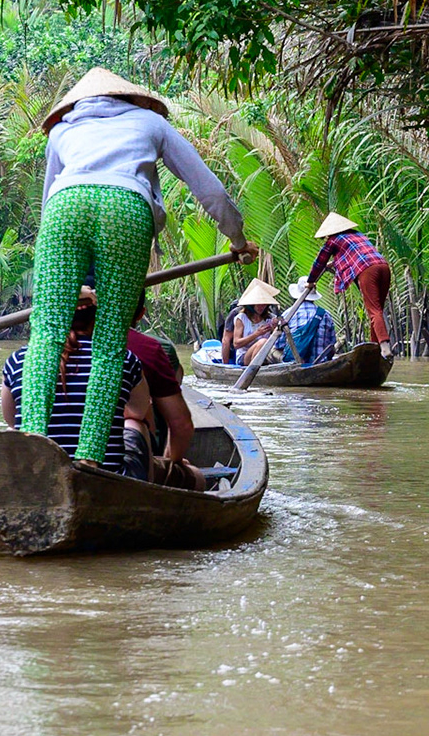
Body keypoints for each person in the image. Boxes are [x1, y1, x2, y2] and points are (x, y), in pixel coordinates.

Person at [23, 67, 255, 464]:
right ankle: (90, 458)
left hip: (63, 211)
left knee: (45, 335)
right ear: (132, 99)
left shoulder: (61, 131)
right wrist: (237, 240)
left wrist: (64, 277)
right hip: (125, 210)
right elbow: (209, 190)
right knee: (110, 343)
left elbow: (49, 205)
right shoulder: (151, 122)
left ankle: (28, 447)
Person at [0, 288, 148, 471]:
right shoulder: (121, 358)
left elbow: (11, 420)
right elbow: (139, 412)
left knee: (11, 432)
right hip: (107, 481)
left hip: (40, 479)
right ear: (97, 316)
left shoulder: (19, 359)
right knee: (136, 425)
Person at [122, 295, 202, 489]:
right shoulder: (147, 349)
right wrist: (171, 462)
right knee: (198, 478)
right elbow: (180, 425)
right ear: (140, 314)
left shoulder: (48, 348)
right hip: (137, 459)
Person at [304, 212, 392, 356]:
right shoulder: (358, 235)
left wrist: (310, 281)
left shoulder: (333, 240)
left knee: (374, 311)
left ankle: (384, 347)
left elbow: (319, 262)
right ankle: (375, 349)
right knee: (377, 311)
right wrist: (333, 264)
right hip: (383, 267)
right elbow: (352, 255)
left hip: (367, 269)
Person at [225, 278, 282, 366]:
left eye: (264, 304)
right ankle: (254, 370)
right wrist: (257, 334)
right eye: (258, 304)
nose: (261, 307)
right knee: (262, 341)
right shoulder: (241, 318)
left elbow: (277, 341)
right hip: (245, 357)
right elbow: (236, 344)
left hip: (267, 356)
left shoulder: (271, 318)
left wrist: (275, 330)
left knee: (266, 344)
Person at [283, 278, 337, 365]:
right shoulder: (326, 315)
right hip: (320, 364)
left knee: (274, 351)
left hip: (296, 365)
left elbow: (279, 344)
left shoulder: (288, 314)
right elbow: (331, 346)